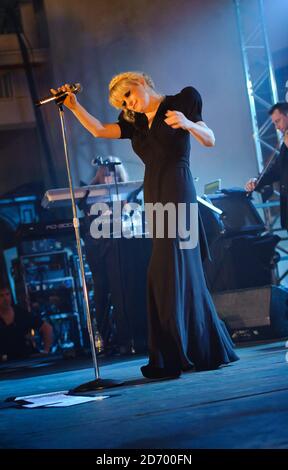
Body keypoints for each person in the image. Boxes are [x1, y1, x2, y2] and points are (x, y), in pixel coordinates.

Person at [52, 71, 239, 379]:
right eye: (122, 101)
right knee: (183, 271)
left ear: (140, 82)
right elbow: (99, 130)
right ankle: (203, 349)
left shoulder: (183, 99)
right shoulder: (135, 122)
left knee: (165, 269)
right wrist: (74, 107)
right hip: (153, 192)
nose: (129, 103)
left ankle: (176, 353)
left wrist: (188, 124)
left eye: (128, 94)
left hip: (178, 186)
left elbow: (210, 139)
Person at [245, 102, 288, 230]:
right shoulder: (285, 143)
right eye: (274, 123)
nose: (277, 127)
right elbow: (276, 170)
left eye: (278, 121)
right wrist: (257, 181)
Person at [0, 284, 53, 361]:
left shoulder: (21, 313)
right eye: (1, 296)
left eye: (7, 294)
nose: (6, 298)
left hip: (26, 359)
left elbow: (47, 328)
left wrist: (46, 352)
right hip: (5, 364)